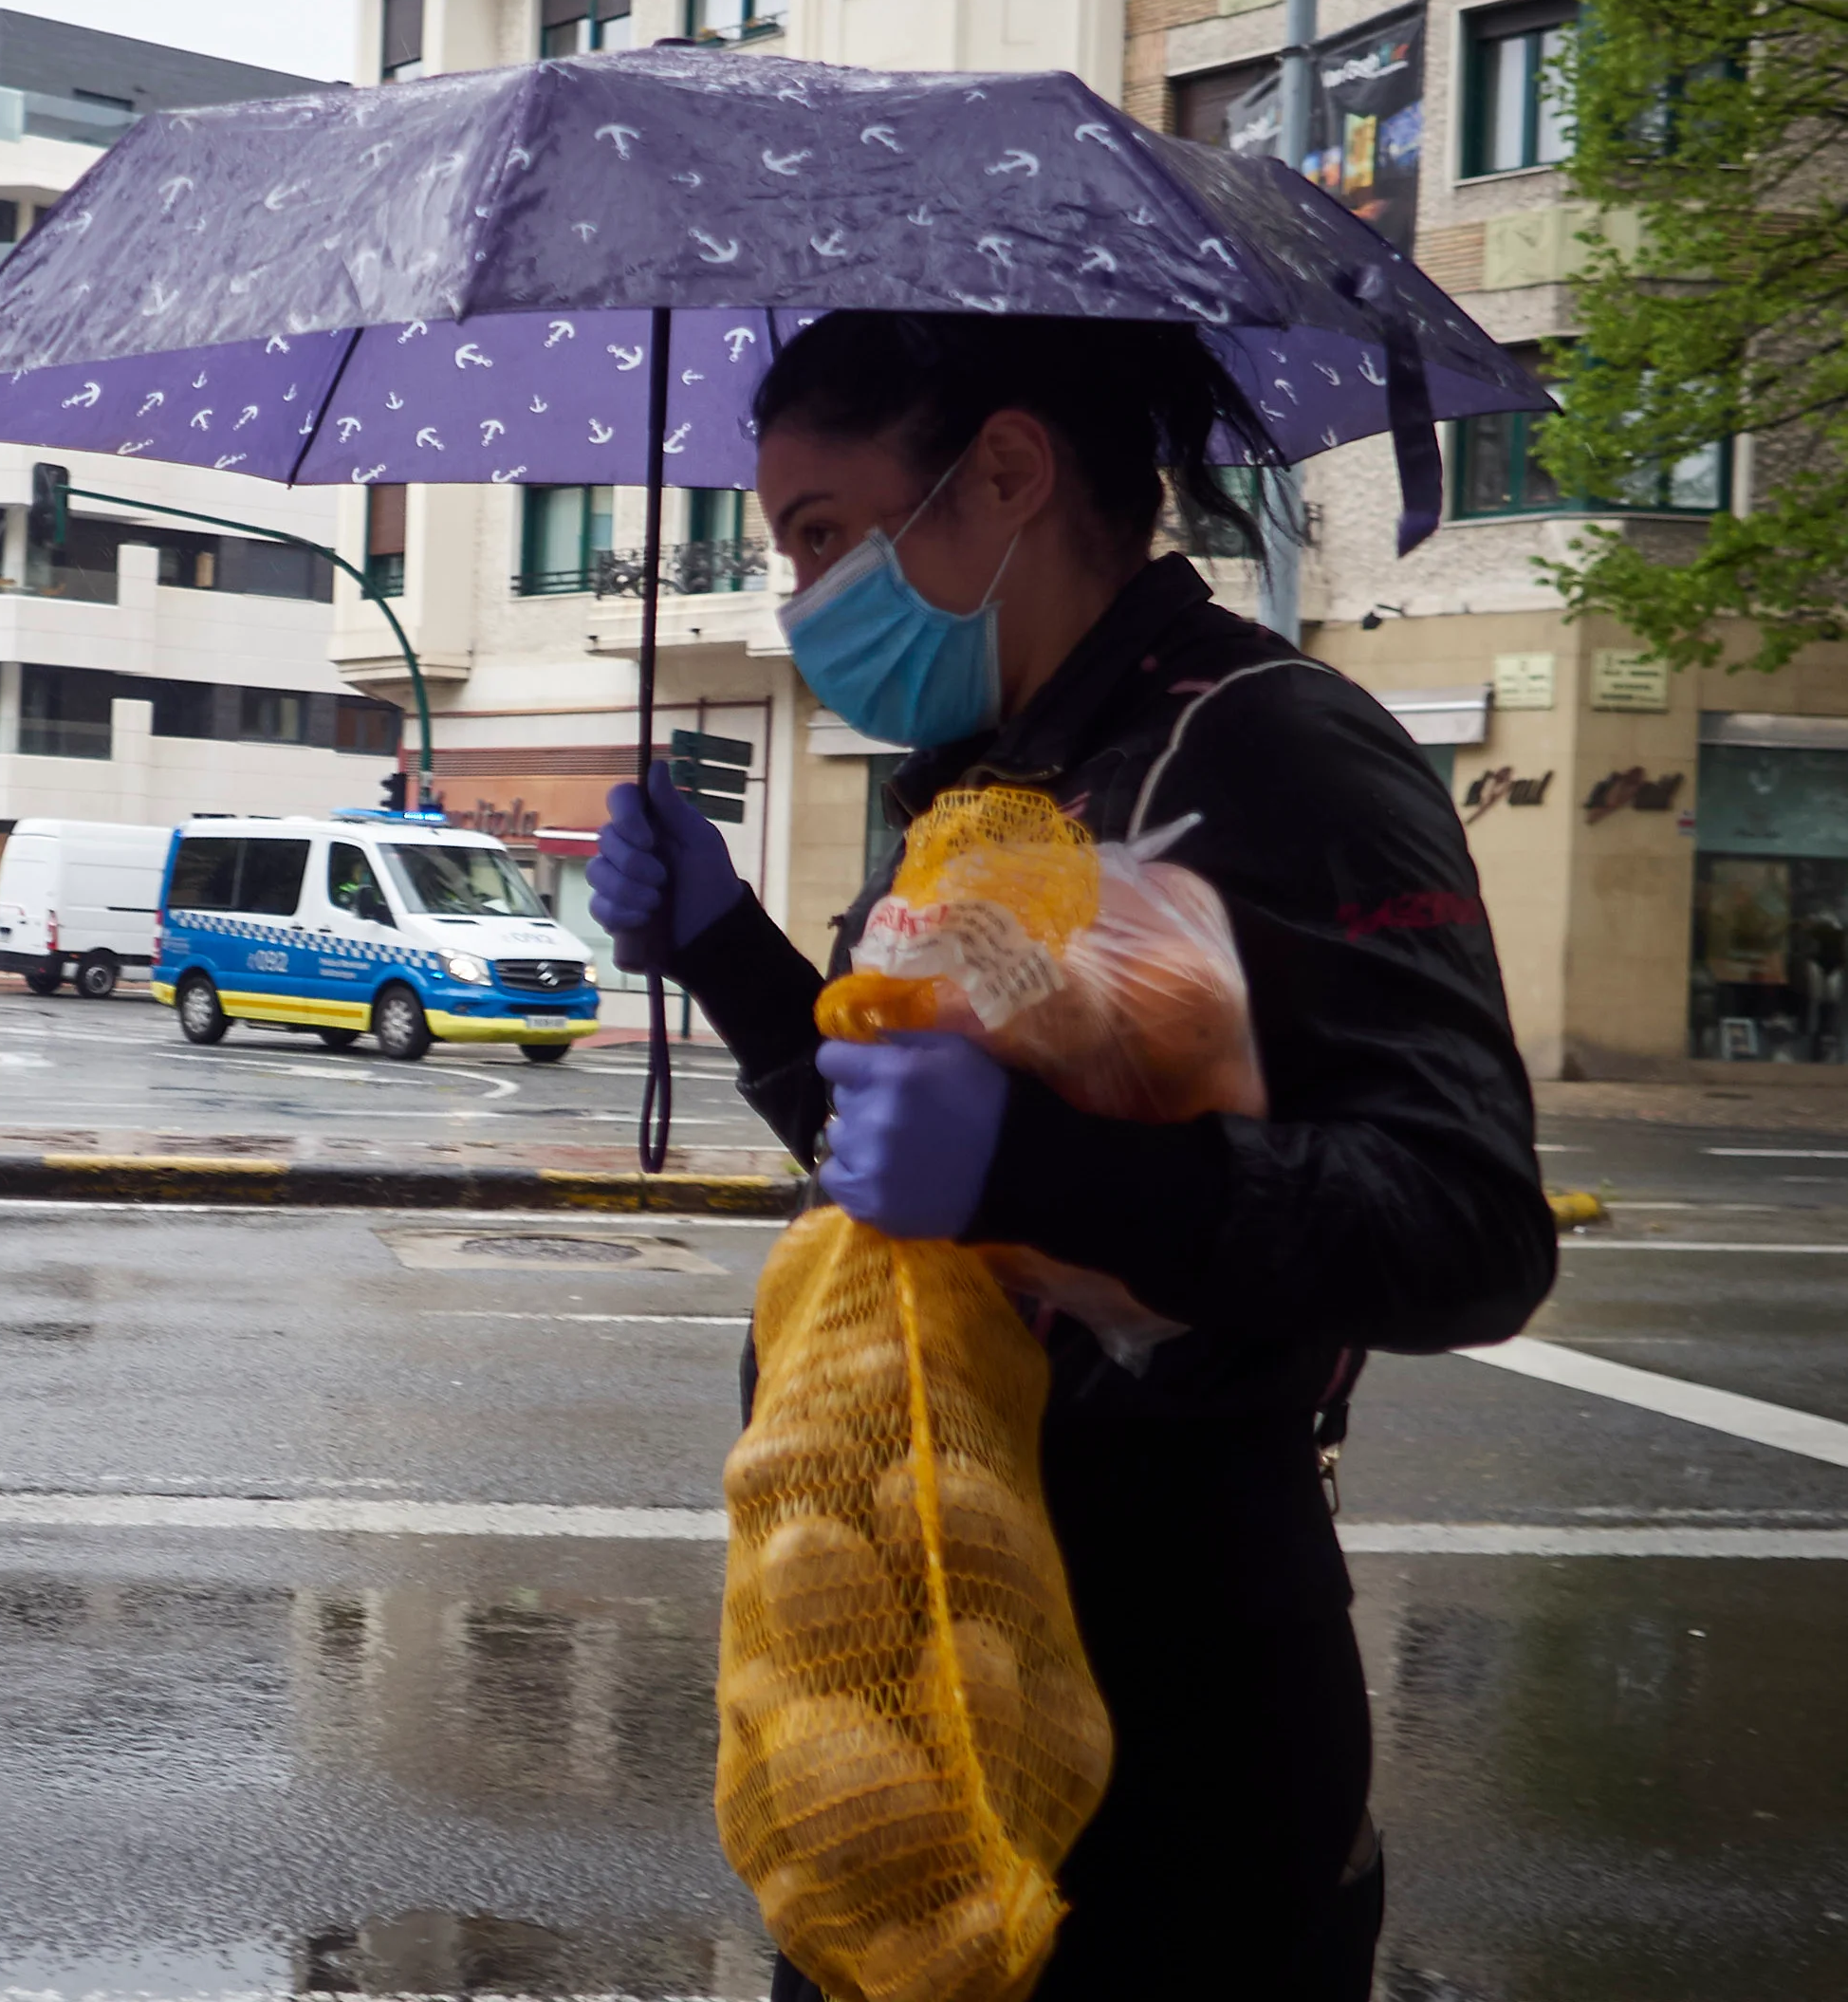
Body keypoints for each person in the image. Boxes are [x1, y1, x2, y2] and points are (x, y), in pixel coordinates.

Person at [589, 312, 1554, 2001]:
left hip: (1172, 1729)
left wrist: (1045, 1166)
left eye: (818, 534)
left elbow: (1465, 1225)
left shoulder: (1270, 748)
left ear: (1006, 473)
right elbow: (910, 1183)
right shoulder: (977, 777)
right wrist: (729, 954)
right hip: (901, 1675)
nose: (797, 598)